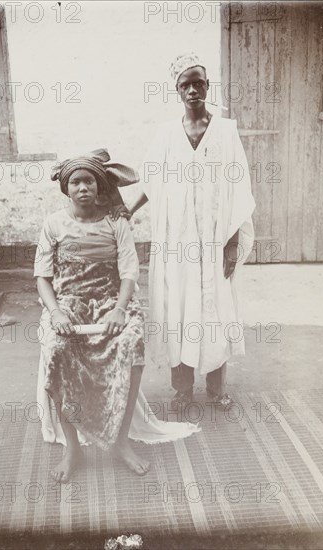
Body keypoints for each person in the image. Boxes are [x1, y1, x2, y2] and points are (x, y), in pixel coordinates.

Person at [34, 149, 200, 483]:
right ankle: (72, 448)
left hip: (112, 298)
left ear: (99, 185)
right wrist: (55, 313)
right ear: (66, 188)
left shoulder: (116, 222)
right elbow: (42, 277)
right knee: (56, 347)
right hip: (69, 301)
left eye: (90, 181)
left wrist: (119, 309)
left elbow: (129, 273)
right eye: (76, 182)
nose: (84, 188)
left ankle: (121, 441)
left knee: (130, 341)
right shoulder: (53, 224)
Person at [112, 53, 256, 408]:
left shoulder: (225, 131)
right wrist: (128, 209)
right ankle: (182, 390)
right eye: (185, 84)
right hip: (176, 240)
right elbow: (152, 180)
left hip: (215, 238)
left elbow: (238, 188)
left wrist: (232, 243)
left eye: (198, 83)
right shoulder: (166, 135)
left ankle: (217, 388)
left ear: (207, 87)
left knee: (215, 309)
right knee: (178, 307)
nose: (193, 90)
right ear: (177, 90)